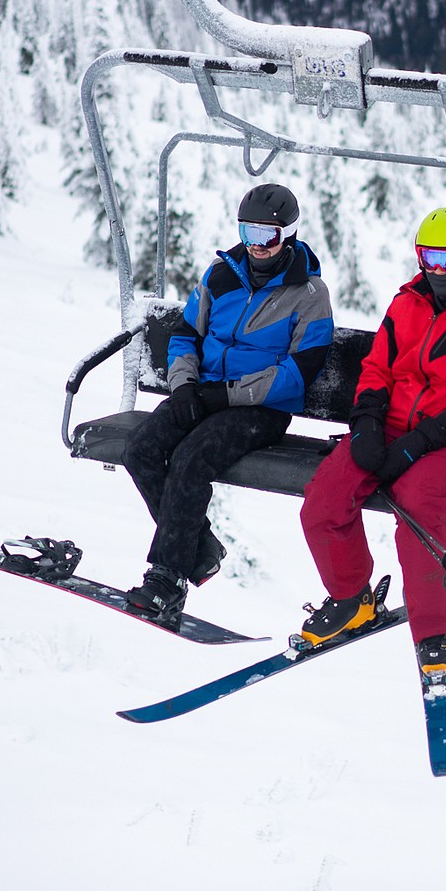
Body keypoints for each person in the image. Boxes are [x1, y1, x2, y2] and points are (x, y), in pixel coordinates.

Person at [298, 205, 446, 671]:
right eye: (430, 258)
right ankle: (351, 599)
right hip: (391, 426)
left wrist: (421, 440)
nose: (438, 271)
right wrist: (366, 423)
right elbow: (377, 367)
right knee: (324, 501)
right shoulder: (407, 304)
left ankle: (434, 633)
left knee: (418, 500)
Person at [123, 183, 333, 627]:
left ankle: (168, 579)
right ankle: (200, 549)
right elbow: (185, 336)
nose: (257, 246)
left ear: (288, 235)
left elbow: (299, 372)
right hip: (202, 394)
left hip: (261, 409)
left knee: (191, 458)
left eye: (268, 236)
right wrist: (183, 386)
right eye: (249, 233)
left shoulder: (309, 294)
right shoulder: (221, 275)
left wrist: (227, 394)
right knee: (140, 448)